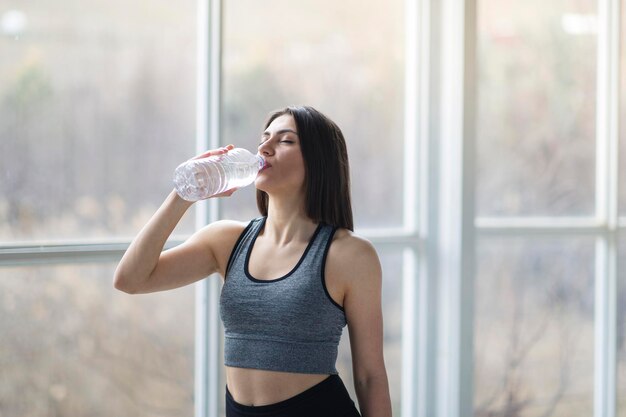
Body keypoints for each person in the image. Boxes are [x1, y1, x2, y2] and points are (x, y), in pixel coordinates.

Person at [113, 106, 392, 417]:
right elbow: (130, 279)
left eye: (285, 141)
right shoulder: (226, 240)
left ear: (318, 161)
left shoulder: (349, 255)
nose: (264, 148)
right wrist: (183, 193)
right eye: (264, 138)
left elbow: (370, 377)